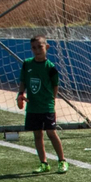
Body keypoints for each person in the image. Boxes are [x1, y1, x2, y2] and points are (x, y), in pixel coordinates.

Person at [16, 36, 67, 174]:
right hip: (33, 106)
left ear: (47, 47)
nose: (37, 50)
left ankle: (62, 160)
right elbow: (23, 81)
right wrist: (20, 94)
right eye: (34, 48)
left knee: (51, 132)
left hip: (46, 106)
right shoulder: (27, 64)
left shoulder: (50, 68)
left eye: (40, 47)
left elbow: (55, 85)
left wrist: (52, 100)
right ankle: (43, 163)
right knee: (37, 134)